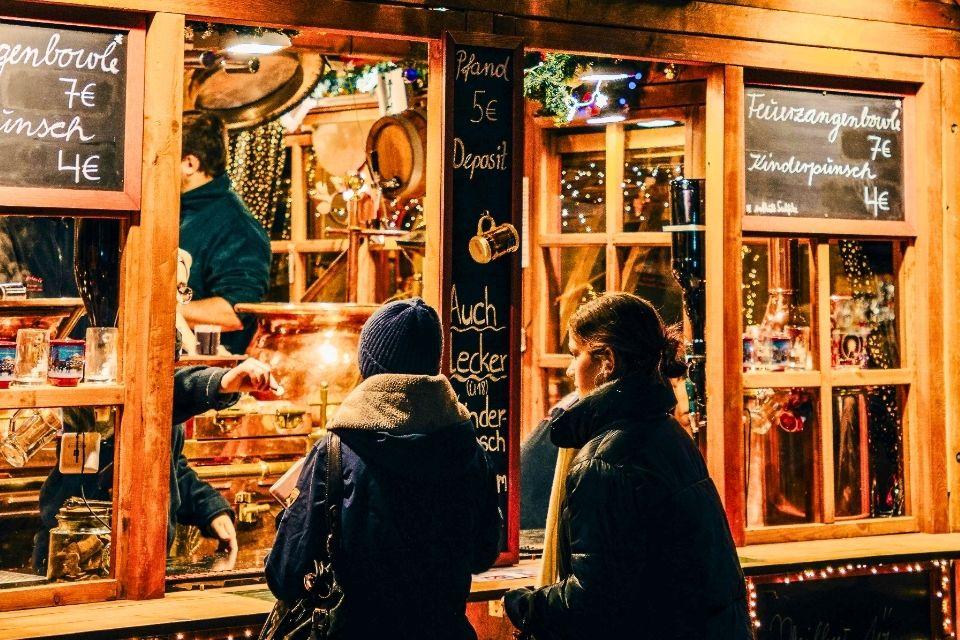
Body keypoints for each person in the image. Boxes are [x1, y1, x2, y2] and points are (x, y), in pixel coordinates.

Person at [503, 293, 751, 640]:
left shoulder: (605, 461)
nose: (571, 369)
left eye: (577, 354)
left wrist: (524, 606)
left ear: (607, 360)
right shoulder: (667, 433)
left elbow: (595, 599)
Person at [266, 297, 501, 639]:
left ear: (368, 365)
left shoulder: (335, 453)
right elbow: (483, 554)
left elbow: (285, 575)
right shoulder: (467, 451)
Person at [33, 357, 275, 574]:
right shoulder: (106, 389)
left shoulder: (156, 388)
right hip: (78, 556)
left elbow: (168, 464)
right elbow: (165, 394)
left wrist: (208, 507)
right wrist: (220, 382)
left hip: (141, 556)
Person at [179, 112, 270, 354]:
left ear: (190, 163)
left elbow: (235, 312)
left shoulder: (237, 225)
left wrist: (154, 310)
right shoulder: (174, 213)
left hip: (209, 375)